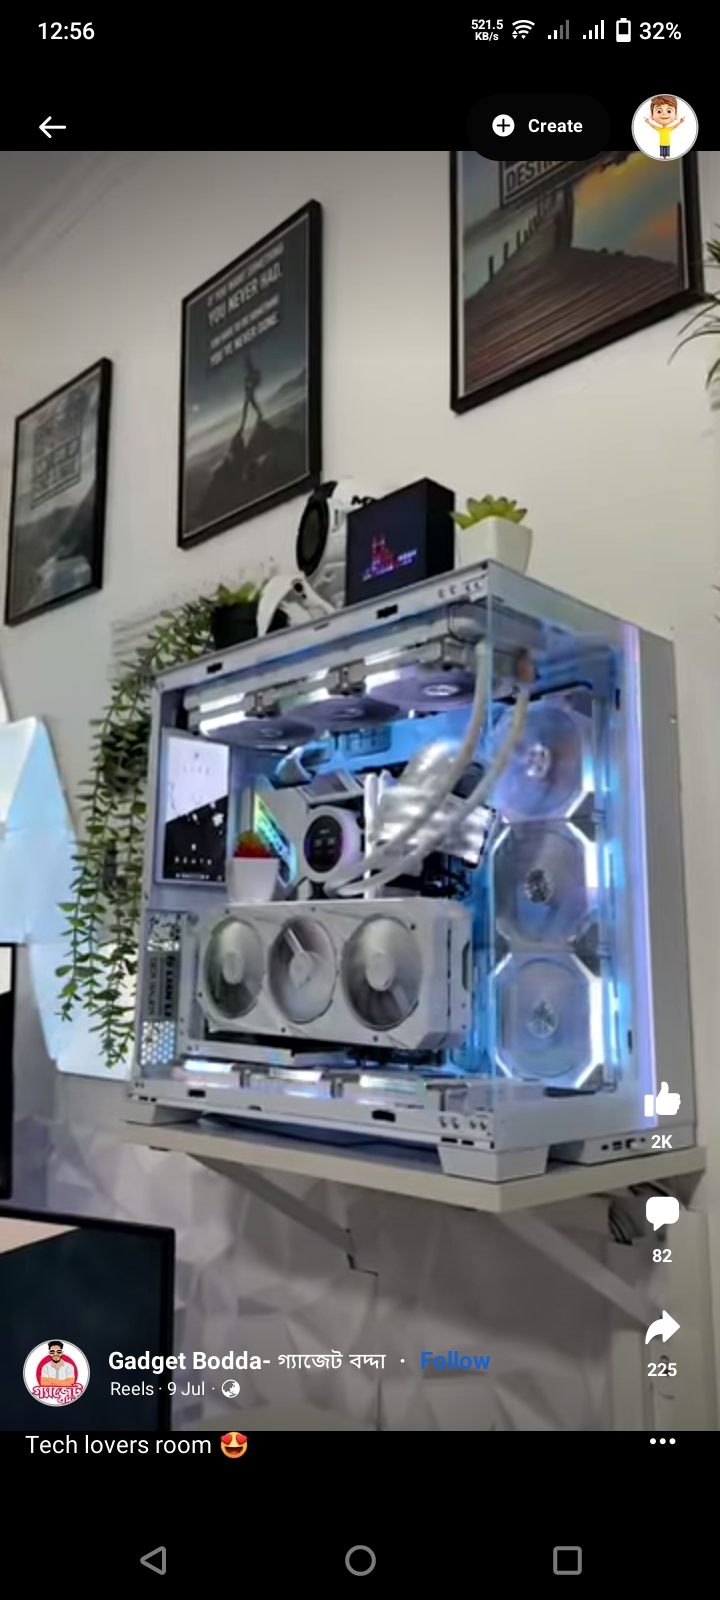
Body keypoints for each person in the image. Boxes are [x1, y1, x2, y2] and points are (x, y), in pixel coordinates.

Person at [238, 351, 264, 438]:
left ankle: (243, 425)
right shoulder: (250, 375)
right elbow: (247, 386)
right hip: (248, 394)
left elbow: (257, 382)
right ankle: (243, 424)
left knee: (248, 407)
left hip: (250, 394)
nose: (246, 368)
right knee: (247, 408)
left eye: (247, 365)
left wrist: (251, 385)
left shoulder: (253, 374)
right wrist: (249, 386)